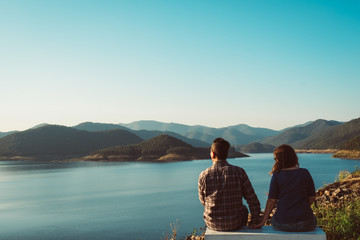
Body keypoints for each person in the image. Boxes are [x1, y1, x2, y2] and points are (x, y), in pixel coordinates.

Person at [198, 138, 261, 231]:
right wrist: (254, 220)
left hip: (212, 223)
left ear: (213, 154)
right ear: (226, 154)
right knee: (243, 209)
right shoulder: (239, 172)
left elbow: (203, 201)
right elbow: (252, 199)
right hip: (235, 223)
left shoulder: (204, 175)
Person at [252, 144, 317, 231]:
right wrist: (302, 208)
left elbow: (272, 200)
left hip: (283, 224)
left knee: (275, 219)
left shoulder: (277, 175)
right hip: (305, 223)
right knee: (313, 218)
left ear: (279, 160)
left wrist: (262, 222)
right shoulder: (305, 173)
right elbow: (312, 197)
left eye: (275, 159)